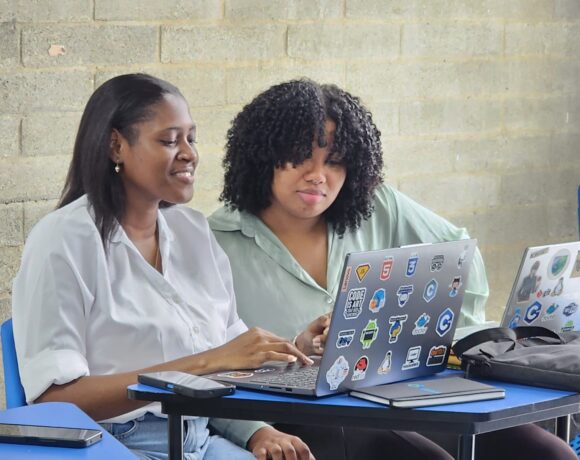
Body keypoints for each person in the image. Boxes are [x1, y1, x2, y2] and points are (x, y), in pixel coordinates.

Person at [209, 79, 577, 460]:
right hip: (299, 417)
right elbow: (205, 361)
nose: (318, 174)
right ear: (263, 154)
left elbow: (460, 255)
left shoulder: (379, 208)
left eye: (334, 161)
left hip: (393, 396)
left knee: (549, 455)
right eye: (301, 155)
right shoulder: (213, 242)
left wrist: (439, 340)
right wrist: (294, 355)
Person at [11, 74, 315, 460]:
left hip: (198, 437)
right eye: (170, 141)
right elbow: (54, 399)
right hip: (114, 445)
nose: (189, 154)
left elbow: (235, 357)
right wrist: (205, 363)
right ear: (116, 146)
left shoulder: (193, 232)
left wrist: (294, 355)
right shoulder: (63, 241)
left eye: (192, 138)